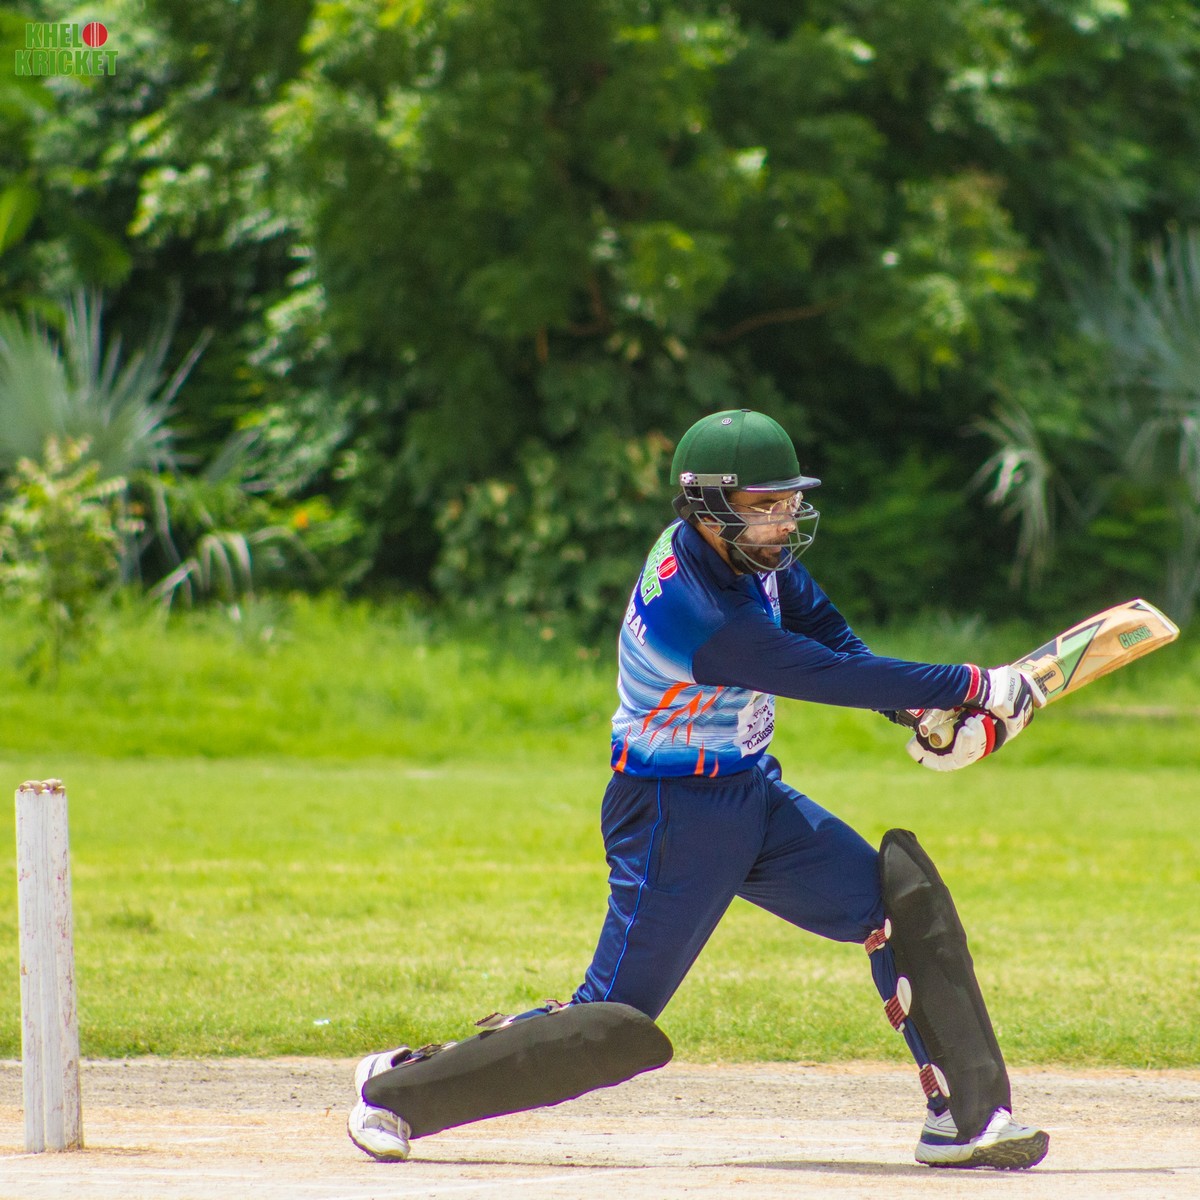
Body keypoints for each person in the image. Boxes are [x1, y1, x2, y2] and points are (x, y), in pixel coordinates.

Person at [349, 408, 1049, 1169]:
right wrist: (975, 684)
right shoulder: (698, 611)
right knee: (609, 1026)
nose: (783, 522)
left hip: (751, 796)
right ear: (707, 508)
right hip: (671, 816)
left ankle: (968, 1120)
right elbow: (820, 674)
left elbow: (829, 636)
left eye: (789, 502)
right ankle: (395, 1092)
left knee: (898, 900)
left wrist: (915, 712)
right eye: (763, 506)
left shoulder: (751, 556)